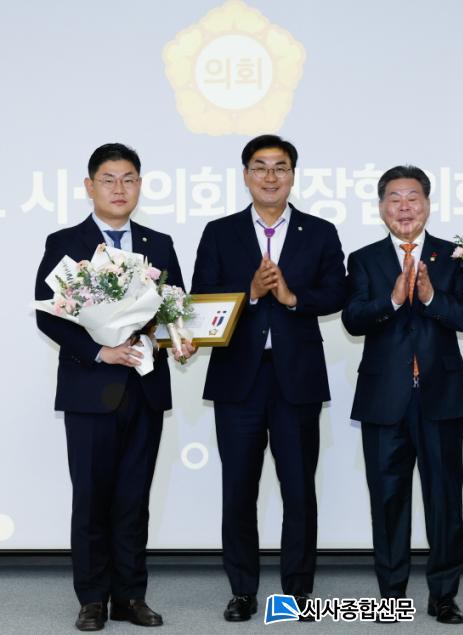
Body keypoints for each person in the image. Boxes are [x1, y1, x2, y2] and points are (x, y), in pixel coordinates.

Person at [35, 143, 192, 631]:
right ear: (90, 186)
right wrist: (100, 351)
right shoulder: (66, 242)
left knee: (133, 499)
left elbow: (174, 306)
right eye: (109, 179)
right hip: (90, 390)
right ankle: (92, 599)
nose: (119, 188)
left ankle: (130, 596)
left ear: (140, 185)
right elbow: (49, 315)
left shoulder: (158, 243)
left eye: (128, 179)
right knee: (91, 499)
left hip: (144, 388)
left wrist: (176, 339)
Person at [191, 134, 346, 622]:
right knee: (239, 490)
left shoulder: (319, 231)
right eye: (260, 167)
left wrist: (292, 298)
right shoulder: (220, 232)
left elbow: (337, 292)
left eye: (280, 167)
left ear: (293, 175)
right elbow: (202, 297)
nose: (270, 176)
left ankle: (297, 592)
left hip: (296, 379)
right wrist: (252, 292)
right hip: (238, 380)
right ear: (246, 176)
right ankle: (242, 590)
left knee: (298, 490)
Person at [342, 165, 463, 624]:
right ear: (382, 207)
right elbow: (353, 319)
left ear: (427, 204)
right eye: (395, 199)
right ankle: (391, 596)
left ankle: (444, 595)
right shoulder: (363, 259)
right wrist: (394, 299)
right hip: (384, 399)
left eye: (413, 197)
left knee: (445, 500)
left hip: (441, 396)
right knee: (387, 501)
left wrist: (430, 296)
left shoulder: (454, 256)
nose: (404, 207)